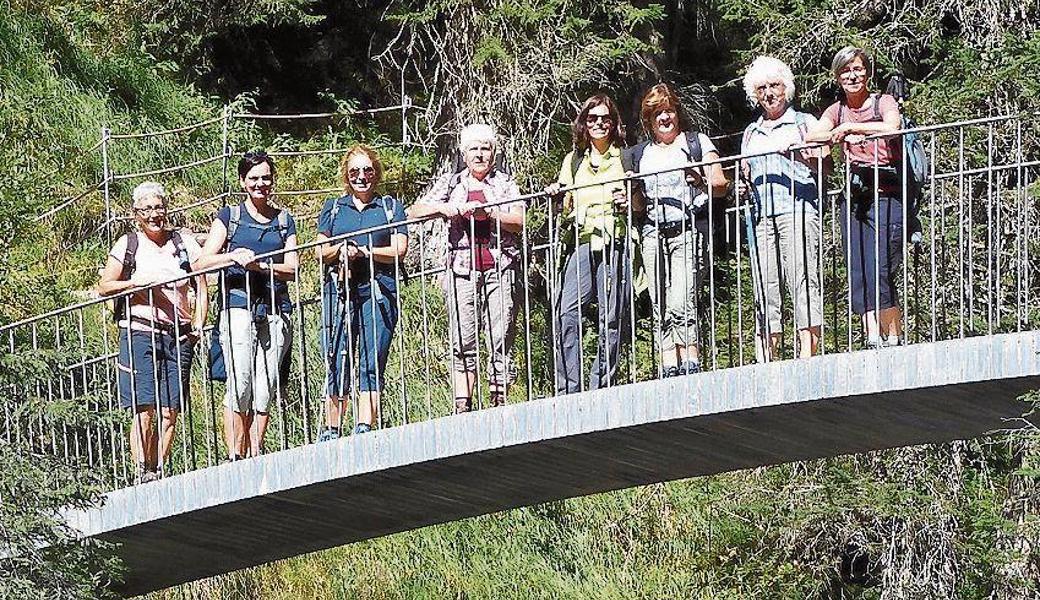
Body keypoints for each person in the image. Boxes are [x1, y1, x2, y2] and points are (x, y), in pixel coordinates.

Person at [408, 125, 525, 413]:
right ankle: (464, 404)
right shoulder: (451, 184)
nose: (480, 154)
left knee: (501, 334)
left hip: (500, 267)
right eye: (474, 149)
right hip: (461, 270)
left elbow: (520, 220)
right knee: (463, 337)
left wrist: (492, 213)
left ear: (494, 153)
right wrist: (447, 209)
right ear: (464, 153)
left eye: (485, 148)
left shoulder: (505, 184)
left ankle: (500, 399)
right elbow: (414, 211)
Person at [97, 181, 207, 483]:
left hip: (178, 334)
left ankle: (158, 468)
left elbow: (202, 282)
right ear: (137, 214)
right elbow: (105, 286)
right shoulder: (128, 244)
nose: (155, 214)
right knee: (144, 406)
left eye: (159, 207)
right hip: (139, 331)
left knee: (172, 407)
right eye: (147, 209)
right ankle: (142, 470)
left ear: (167, 208)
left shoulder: (182, 243)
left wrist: (198, 321)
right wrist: (136, 284)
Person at [196, 151, 298, 459]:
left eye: (266, 177)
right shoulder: (230, 217)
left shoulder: (284, 221)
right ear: (243, 181)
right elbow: (201, 261)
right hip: (237, 308)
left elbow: (292, 268)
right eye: (254, 178)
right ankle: (234, 454)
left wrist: (262, 267)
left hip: (275, 309)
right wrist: (233, 256)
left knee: (264, 386)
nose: (261, 184)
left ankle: (255, 451)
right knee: (240, 383)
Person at [807, 47, 906, 348]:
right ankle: (871, 335)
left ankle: (893, 335)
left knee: (883, 264)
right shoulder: (835, 110)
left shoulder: (883, 101)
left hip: (887, 192)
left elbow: (893, 126)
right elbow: (814, 135)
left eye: (858, 69)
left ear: (867, 72)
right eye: (845, 71)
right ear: (838, 77)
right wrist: (838, 131)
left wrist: (853, 128)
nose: (852, 76)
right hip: (855, 197)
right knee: (859, 265)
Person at [630, 83, 728, 376]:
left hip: (687, 228)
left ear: (678, 113)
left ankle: (690, 359)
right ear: (649, 119)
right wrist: (631, 191)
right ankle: (667, 361)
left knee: (681, 298)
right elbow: (637, 206)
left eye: (669, 111)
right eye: (658, 113)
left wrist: (699, 180)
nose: (664, 117)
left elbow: (721, 185)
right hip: (652, 231)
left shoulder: (696, 142)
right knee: (659, 299)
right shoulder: (639, 154)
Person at [546, 94, 642, 394]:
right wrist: (555, 197)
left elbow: (639, 204)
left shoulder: (626, 157)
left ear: (614, 123)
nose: (599, 123)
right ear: (584, 123)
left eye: (605, 118)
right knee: (566, 312)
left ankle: (602, 385)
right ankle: (568, 389)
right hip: (581, 241)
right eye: (592, 118)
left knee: (611, 316)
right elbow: (562, 206)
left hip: (616, 239)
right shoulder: (573, 160)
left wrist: (628, 199)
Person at [316, 145, 408, 439]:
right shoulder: (333, 208)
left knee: (372, 356)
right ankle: (332, 428)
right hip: (339, 290)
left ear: (376, 173)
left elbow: (399, 249)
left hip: (378, 289)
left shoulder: (390, 208)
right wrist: (341, 250)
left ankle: (364, 426)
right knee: (336, 355)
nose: (361, 176)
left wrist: (365, 252)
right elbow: (320, 250)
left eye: (367, 170)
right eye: (354, 171)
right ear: (346, 174)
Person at [739, 56, 826, 360]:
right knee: (765, 282)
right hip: (761, 214)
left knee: (802, 276)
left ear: (786, 88)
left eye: (774, 85)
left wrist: (802, 156)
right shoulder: (751, 132)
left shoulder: (805, 122)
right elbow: (747, 172)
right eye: (762, 88)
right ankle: (768, 352)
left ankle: (807, 350)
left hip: (798, 208)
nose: (769, 93)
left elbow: (826, 165)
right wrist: (743, 185)